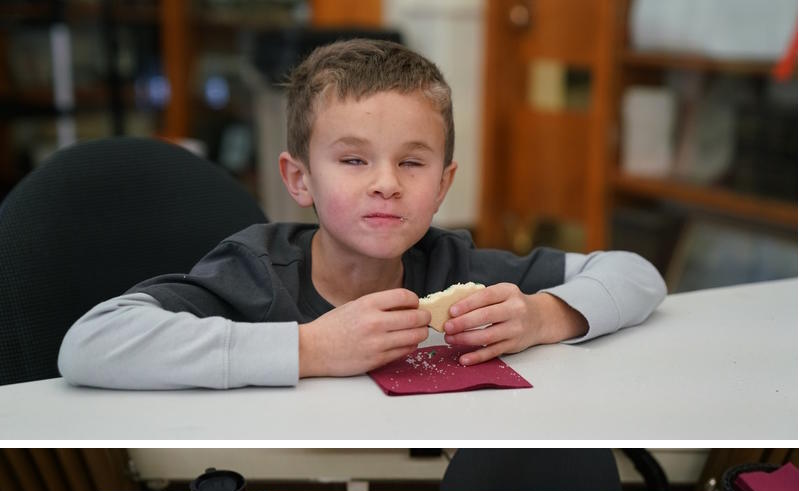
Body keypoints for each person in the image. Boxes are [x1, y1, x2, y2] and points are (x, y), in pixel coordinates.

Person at [58, 39, 666, 389]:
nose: (386, 185)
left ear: (444, 184)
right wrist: (311, 350)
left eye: (412, 163)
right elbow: (89, 344)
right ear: (300, 179)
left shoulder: (455, 264)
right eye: (352, 160)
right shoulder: (253, 272)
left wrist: (541, 316)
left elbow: (638, 275)